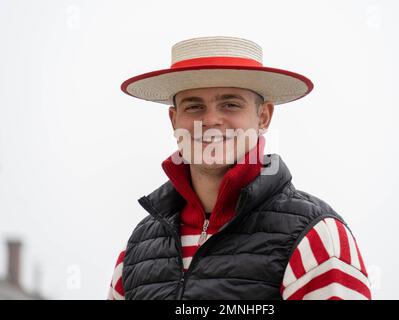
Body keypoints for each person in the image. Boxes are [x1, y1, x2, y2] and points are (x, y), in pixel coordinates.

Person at [108, 36, 372, 300]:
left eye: (230, 104)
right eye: (194, 106)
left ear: (264, 116)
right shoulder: (136, 249)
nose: (210, 120)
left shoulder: (315, 236)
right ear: (174, 119)